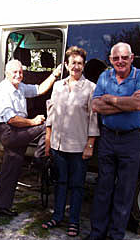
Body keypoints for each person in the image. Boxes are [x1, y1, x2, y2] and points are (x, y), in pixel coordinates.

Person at [85, 42, 140, 240]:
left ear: (131, 58)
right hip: (108, 138)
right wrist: (126, 103)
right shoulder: (105, 76)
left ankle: (116, 235)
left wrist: (111, 100)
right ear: (111, 60)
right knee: (103, 187)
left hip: (130, 140)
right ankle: (97, 233)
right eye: (115, 58)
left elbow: (139, 104)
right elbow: (96, 105)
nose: (120, 61)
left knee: (125, 190)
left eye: (124, 57)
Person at [0, 59, 62, 217]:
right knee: (46, 126)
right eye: (15, 72)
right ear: (6, 73)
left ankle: (0, 208)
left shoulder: (20, 87)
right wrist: (33, 121)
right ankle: (38, 160)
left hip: (18, 130)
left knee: (10, 171)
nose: (18, 75)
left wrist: (55, 74)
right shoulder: (2, 91)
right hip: (10, 132)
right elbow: (12, 119)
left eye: (21, 72)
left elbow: (39, 89)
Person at [42, 46, 99, 237]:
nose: (76, 66)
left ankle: (73, 221)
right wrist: (48, 141)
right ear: (66, 65)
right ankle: (57, 216)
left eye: (80, 63)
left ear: (84, 66)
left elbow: (93, 119)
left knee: (77, 185)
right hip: (58, 145)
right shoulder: (58, 86)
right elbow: (51, 115)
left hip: (78, 147)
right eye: (73, 63)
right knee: (60, 182)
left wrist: (90, 145)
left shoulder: (91, 88)